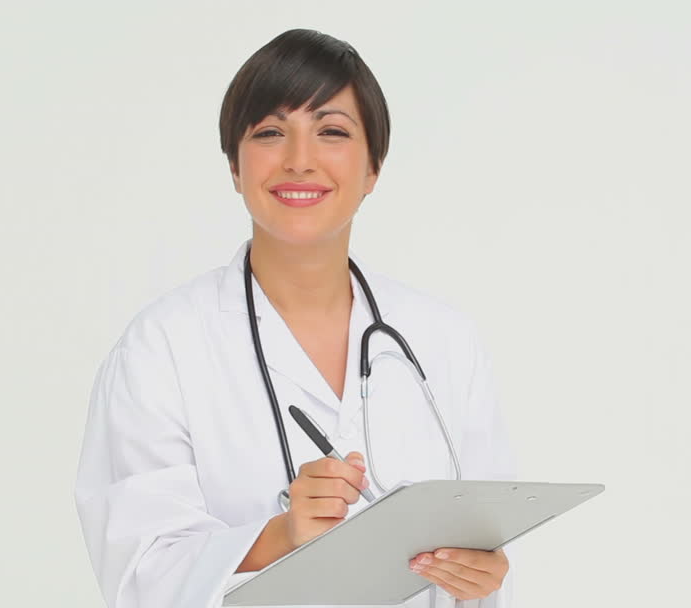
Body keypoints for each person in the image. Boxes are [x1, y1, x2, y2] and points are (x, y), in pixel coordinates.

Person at [75, 28, 518, 608]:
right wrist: (282, 536)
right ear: (235, 167)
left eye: (331, 132)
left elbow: (490, 552)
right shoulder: (161, 350)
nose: (300, 161)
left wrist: (479, 579)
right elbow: (139, 575)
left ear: (373, 168)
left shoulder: (445, 341)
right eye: (270, 132)